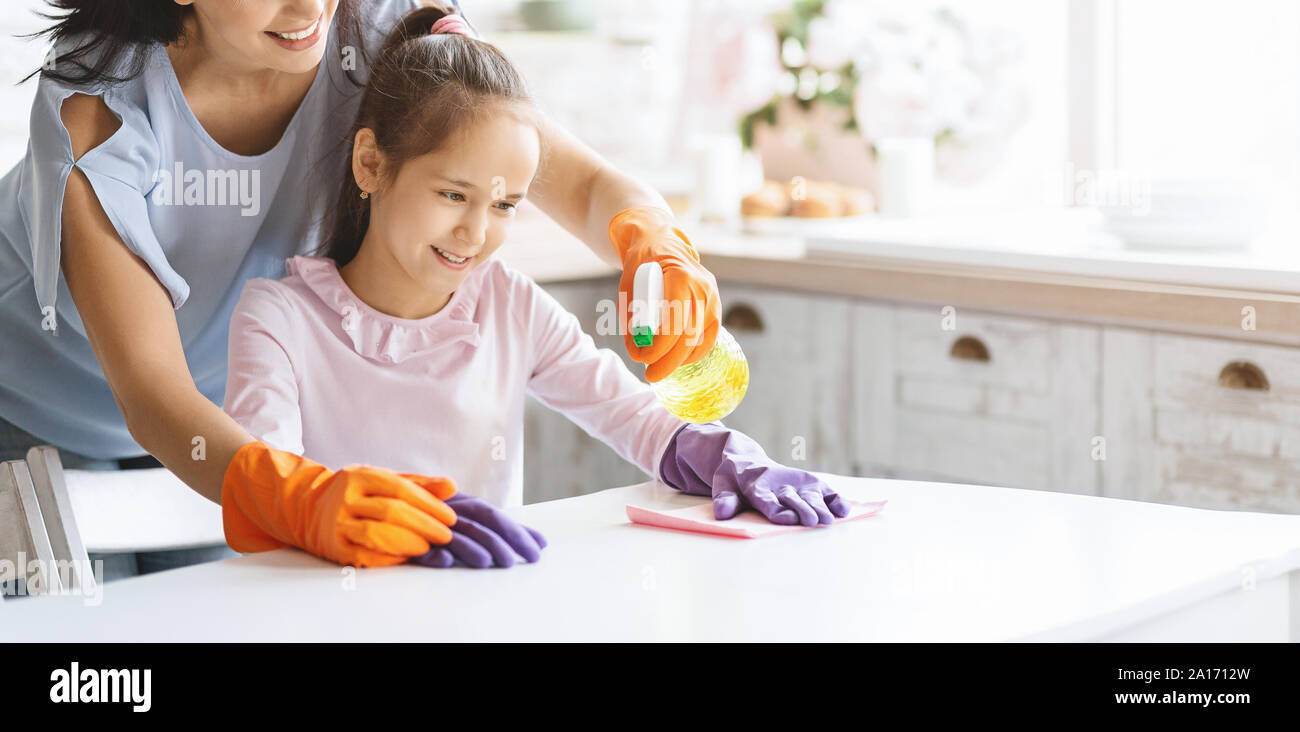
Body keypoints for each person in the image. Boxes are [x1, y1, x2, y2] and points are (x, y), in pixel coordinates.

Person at [0, 1, 722, 578]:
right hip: (36, 418)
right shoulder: (97, 116)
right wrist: (299, 495)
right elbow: (153, 391)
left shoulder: (375, 31)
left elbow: (582, 181)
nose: (309, 8)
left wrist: (652, 241)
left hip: (224, 431)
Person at [221, 7, 849, 569]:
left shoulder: (508, 305)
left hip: (482, 612)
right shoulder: (278, 319)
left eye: (505, 205)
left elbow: (630, 415)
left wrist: (712, 453)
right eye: (452, 195)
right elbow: (271, 483)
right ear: (371, 163)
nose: (474, 232)